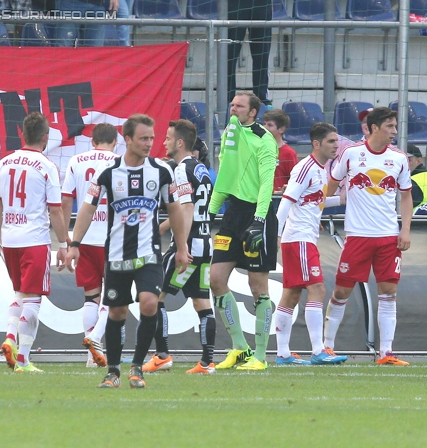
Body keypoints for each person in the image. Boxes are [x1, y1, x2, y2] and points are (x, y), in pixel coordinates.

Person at [65, 114, 190, 389]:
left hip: (149, 254)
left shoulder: (161, 171)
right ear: (128, 139)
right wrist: (75, 244)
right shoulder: (108, 173)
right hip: (117, 255)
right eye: (143, 138)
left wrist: (182, 248)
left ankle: (136, 367)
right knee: (117, 312)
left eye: (152, 138)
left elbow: (175, 210)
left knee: (149, 302)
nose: (149, 143)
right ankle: (112, 372)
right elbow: (87, 208)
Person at [324, 106, 413, 365]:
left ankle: (386, 352)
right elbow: (330, 184)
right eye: (390, 127)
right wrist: (316, 212)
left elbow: (406, 196)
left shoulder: (399, 158)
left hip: (387, 236)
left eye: (395, 126)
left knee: (389, 293)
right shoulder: (351, 154)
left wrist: (405, 229)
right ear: (374, 128)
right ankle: (327, 347)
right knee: (341, 291)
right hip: (358, 236)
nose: (395, 131)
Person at [0, 112, 69, 373]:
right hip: (34, 239)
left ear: (22, 134)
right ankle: (20, 354)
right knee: (33, 298)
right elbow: (56, 211)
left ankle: (14, 346)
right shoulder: (46, 166)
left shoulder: (4, 163)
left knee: (20, 294)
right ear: (46, 137)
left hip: (9, 240)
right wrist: (64, 245)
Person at [209, 91, 278, 371]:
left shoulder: (264, 139)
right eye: (232, 104)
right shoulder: (230, 134)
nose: (233, 109)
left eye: (239, 106)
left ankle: (260, 357)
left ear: (253, 112)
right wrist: (210, 212)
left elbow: (266, 183)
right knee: (215, 279)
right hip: (233, 214)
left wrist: (260, 220)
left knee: (257, 286)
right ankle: (240, 347)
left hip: (256, 215)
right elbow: (225, 176)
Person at [142, 119, 217, 375]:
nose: (163, 142)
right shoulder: (201, 170)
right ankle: (207, 363)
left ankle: (162, 355)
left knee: (153, 296)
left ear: (180, 142)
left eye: (168, 138)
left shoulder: (181, 170)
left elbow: (185, 208)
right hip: (205, 243)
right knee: (201, 302)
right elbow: (196, 207)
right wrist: (164, 227)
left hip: (188, 245)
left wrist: (181, 246)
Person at [275, 123, 347, 365]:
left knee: (292, 294)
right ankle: (318, 350)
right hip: (299, 238)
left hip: (302, 237)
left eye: (337, 141)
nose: (336, 145)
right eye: (331, 141)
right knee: (317, 289)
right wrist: (276, 234)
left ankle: (283, 354)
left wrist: (341, 199)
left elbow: (313, 200)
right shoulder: (305, 168)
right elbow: (286, 201)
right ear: (316, 144)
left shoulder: (320, 169)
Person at [61, 123, 119, 368]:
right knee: (114, 294)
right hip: (112, 236)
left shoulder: (76, 160)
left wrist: (66, 235)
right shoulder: (119, 161)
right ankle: (96, 342)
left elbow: (66, 198)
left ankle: (91, 356)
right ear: (115, 141)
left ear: (93, 141)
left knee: (90, 296)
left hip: (84, 237)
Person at [227, 0, 273, 106]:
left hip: (261, 4)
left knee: (262, 54)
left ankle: (261, 99)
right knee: (229, 55)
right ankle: (228, 99)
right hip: (234, 4)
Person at [263, 109, 298, 193]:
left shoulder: (288, 153)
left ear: (281, 129)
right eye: (264, 124)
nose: (264, 127)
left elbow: (296, 181)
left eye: (270, 125)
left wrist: (286, 189)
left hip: (278, 200)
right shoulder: (258, 149)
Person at [407, 144, 427, 209]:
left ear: (419, 161)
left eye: (408, 160)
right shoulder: (425, 177)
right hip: (424, 217)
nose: (404, 163)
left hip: (413, 218)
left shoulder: (412, 182)